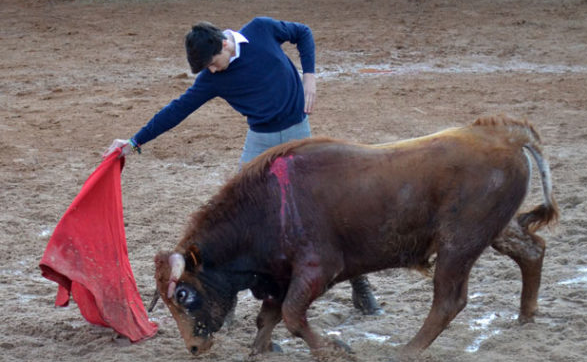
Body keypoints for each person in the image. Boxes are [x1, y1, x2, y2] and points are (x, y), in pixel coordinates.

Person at [104, 16, 381, 315]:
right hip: (260, 139)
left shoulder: (261, 30)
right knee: (236, 216)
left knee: (326, 209)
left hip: (299, 135)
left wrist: (309, 75)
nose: (212, 70)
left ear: (225, 43)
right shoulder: (212, 78)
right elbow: (177, 110)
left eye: (213, 63)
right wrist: (134, 143)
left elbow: (303, 33)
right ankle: (229, 299)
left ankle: (360, 285)